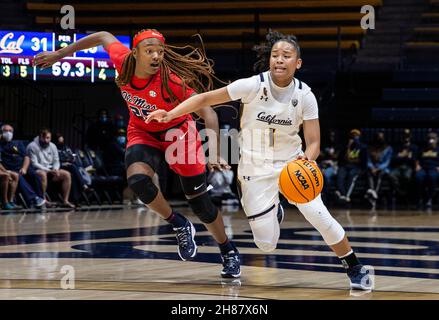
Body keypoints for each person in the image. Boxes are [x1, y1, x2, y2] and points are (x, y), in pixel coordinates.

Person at [146, 30, 373, 290]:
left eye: (286, 56)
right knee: (266, 244)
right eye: (275, 55)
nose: (279, 60)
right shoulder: (253, 85)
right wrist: (170, 114)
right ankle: (274, 211)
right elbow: (206, 98)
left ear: (297, 63)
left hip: (292, 164)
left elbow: (313, 142)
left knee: (319, 215)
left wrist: (307, 161)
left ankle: (354, 267)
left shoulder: (305, 96)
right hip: (254, 169)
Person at [34, 29, 240, 278]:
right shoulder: (122, 61)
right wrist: (61, 54)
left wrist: (215, 152)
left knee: (200, 204)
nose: (156, 56)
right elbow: (102, 36)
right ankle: (178, 223)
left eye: (160, 52)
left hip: (178, 133)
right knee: (138, 181)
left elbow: (208, 113)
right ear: (136, 53)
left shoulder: (171, 81)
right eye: (149, 51)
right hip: (143, 131)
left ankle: (228, 251)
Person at [26, 129, 75, 209]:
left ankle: (65, 201)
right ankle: (44, 200)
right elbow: (34, 163)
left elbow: (56, 160)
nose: (46, 140)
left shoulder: (53, 146)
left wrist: (55, 169)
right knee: (43, 174)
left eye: (48, 138)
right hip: (36, 170)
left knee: (66, 174)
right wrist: (48, 170)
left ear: (50, 138)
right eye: (44, 138)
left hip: (51, 169)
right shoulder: (32, 146)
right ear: (40, 137)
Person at [0, 124, 46, 209]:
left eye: (10, 131)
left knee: (35, 175)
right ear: (1, 133)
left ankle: (41, 198)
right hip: (10, 169)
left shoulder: (18, 143)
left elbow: (26, 157)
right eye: (6, 131)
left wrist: (24, 168)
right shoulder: (0, 145)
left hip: (22, 167)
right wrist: (6, 171)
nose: (8, 133)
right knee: (18, 177)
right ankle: (33, 199)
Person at [365, 131, 397, 209]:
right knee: (369, 174)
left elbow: (387, 162)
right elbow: (368, 160)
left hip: (383, 168)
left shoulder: (388, 148)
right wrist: (372, 167)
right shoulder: (370, 148)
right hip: (372, 168)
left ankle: (374, 194)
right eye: (378, 137)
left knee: (380, 174)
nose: (380, 139)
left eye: (381, 137)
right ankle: (372, 192)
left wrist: (378, 168)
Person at [336, 129, 368, 204]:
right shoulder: (345, 146)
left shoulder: (363, 147)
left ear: (359, 137)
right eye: (353, 136)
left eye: (356, 136)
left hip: (356, 167)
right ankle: (342, 195)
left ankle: (347, 196)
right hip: (345, 165)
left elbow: (363, 161)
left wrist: (362, 169)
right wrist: (348, 147)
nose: (354, 137)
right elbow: (340, 158)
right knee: (340, 175)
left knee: (352, 175)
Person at [390, 129, 418, 200]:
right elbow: (393, 159)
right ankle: (401, 193)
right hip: (398, 167)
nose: (406, 137)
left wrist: (401, 156)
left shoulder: (414, 147)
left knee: (407, 177)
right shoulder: (397, 147)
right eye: (405, 135)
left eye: (408, 135)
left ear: (410, 136)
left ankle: (406, 195)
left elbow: (413, 160)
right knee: (391, 175)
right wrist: (404, 156)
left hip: (409, 167)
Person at [415, 131, 439, 210]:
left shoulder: (438, 149)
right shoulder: (423, 149)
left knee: (432, 177)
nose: (431, 140)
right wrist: (417, 165)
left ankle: (429, 198)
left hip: (434, 168)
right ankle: (420, 198)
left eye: (433, 138)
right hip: (423, 168)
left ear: (436, 140)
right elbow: (417, 159)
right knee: (418, 177)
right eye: (429, 138)